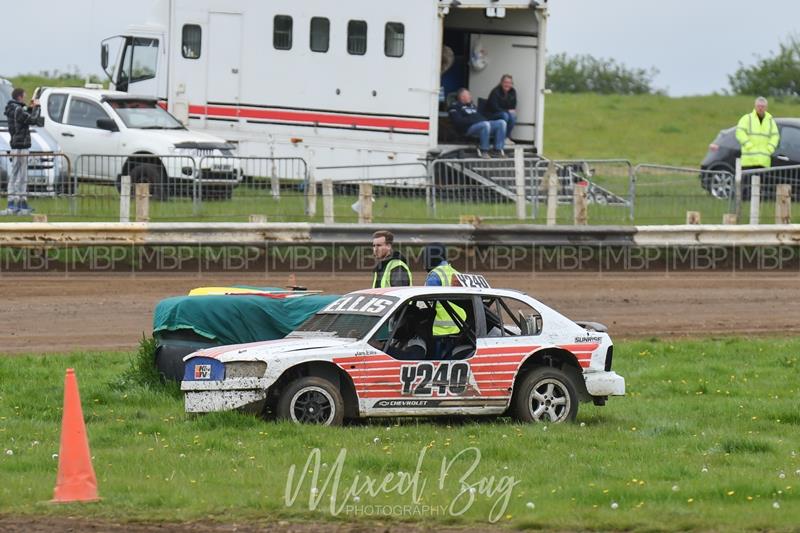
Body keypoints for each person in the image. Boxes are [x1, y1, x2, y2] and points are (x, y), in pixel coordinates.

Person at [423, 243, 467, 357]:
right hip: (459, 329)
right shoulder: (456, 274)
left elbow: (426, 303)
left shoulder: (434, 276)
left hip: (439, 332)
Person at [2, 88, 41, 216]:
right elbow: (33, 120)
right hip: (21, 146)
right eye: (24, 96)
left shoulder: (12, 108)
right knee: (22, 176)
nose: (25, 97)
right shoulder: (18, 110)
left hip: (15, 145)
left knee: (14, 175)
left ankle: (12, 205)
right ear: (19, 96)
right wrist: (37, 107)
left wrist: (29, 109)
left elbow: (24, 118)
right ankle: (20, 206)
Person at [448, 88, 506, 158]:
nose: (470, 96)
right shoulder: (454, 107)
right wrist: (475, 120)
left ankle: (497, 150)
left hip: (481, 125)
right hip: (468, 128)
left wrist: (481, 120)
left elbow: (480, 117)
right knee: (485, 124)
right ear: (462, 97)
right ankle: (484, 151)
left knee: (501, 123)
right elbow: (458, 122)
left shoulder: (472, 106)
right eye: (468, 95)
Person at [735, 96, 779, 174]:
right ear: (755, 106)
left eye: (762, 106)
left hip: (763, 161)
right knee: (747, 185)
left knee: (760, 185)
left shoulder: (770, 121)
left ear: (766, 108)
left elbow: (775, 136)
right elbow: (740, 132)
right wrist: (748, 145)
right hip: (748, 161)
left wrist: (770, 148)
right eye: (758, 106)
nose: (760, 108)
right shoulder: (747, 118)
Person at [486, 74, 517, 144]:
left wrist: (510, 111)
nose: (507, 84)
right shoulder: (495, 92)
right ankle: (500, 138)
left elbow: (513, 107)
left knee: (513, 115)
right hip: (492, 114)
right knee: (505, 115)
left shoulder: (513, 92)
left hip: (504, 112)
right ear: (501, 82)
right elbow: (494, 107)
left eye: (509, 83)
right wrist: (507, 111)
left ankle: (506, 137)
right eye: (505, 82)